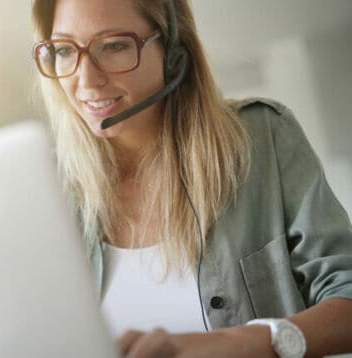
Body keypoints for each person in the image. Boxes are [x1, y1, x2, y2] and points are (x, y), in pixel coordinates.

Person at [31, 0, 352, 356]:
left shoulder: (262, 138)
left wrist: (246, 341)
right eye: (63, 50)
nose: (86, 79)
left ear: (172, 50)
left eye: (115, 46)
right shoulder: (47, 195)